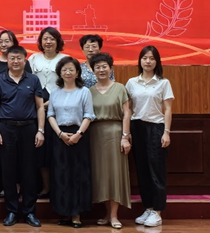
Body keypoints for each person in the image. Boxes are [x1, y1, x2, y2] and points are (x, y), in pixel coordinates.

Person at [0, 45, 45, 228]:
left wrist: (41, 130)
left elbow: (40, 106)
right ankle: (12, 211)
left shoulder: (33, 79)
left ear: (24, 60)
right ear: (7, 60)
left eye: (19, 58)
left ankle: (29, 212)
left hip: (29, 128)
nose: (15, 61)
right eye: (12, 58)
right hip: (6, 129)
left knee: (29, 171)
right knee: (8, 171)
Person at [126, 45, 174, 228]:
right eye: (145, 58)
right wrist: (127, 133)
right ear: (140, 61)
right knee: (142, 170)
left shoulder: (163, 83)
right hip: (137, 127)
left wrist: (166, 132)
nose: (148, 61)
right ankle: (148, 207)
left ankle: (158, 211)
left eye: (152, 58)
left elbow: (168, 109)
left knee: (156, 170)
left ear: (157, 62)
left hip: (156, 127)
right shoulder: (132, 82)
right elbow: (128, 109)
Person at [47, 56, 95, 228]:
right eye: (64, 70)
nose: (68, 72)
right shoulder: (55, 92)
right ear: (60, 73)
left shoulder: (84, 91)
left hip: (79, 135)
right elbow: (50, 114)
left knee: (77, 175)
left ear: (77, 72)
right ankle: (64, 212)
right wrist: (60, 134)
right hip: (59, 136)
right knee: (61, 174)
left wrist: (78, 134)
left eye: (71, 70)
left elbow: (89, 115)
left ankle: (76, 214)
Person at [89, 52, 131, 230]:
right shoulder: (89, 91)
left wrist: (125, 137)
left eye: (104, 66)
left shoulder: (120, 88)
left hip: (115, 134)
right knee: (101, 176)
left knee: (114, 174)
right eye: (97, 67)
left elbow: (127, 113)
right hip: (95, 135)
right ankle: (107, 214)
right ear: (93, 70)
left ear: (111, 68)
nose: (101, 70)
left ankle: (114, 215)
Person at [28, 26, 68, 198]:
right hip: (36, 106)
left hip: (60, 106)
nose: (48, 41)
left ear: (58, 41)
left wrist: (52, 103)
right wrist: (39, 104)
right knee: (41, 151)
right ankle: (45, 187)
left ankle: (59, 188)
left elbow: (69, 85)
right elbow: (27, 81)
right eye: (45, 38)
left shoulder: (65, 59)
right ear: (40, 41)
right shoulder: (33, 58)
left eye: (52, 38)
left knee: (57, 150)